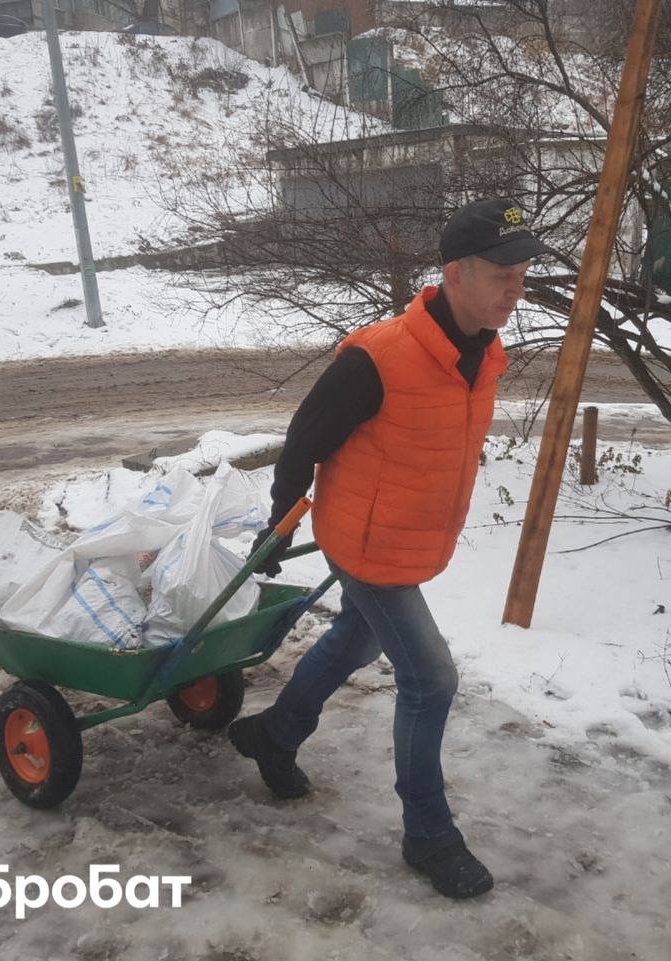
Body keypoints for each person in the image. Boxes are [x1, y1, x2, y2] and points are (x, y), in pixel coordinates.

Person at [228, 198, 548, 900]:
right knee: (430, 679)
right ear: (455, 274)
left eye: (521, 274)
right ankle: (428, 831)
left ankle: (276, 733)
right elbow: (305, 437)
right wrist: (283, 519)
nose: (515, 289)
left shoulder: (483, 353)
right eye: (502, 274)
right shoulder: (378, 356)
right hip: (365, 543)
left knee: (355, 639)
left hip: (409, 539)